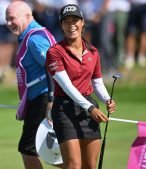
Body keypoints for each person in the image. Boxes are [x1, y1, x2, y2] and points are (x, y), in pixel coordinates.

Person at [46, 4, 116, 169]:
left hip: (88, 108)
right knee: (74, 165)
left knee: (90, 165)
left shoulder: (93, 52)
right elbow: (67, 86)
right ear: (61, 25)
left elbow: (97, 81)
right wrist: (91, 108)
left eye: (75, 20)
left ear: (83, 22)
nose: (71, 25)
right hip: (65, 109)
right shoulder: (55, 52)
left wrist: (107, 99)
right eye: (66, 21)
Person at [5, 1, 59, 169]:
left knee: (28, 148)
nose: (9, 23)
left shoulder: (34, 39)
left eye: (12, 18)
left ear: (28, 16)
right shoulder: (29, 36)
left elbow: (55, 69)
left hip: (44, 99)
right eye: (7, 19)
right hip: (39, 99)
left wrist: (51, 100)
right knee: (47, 151)